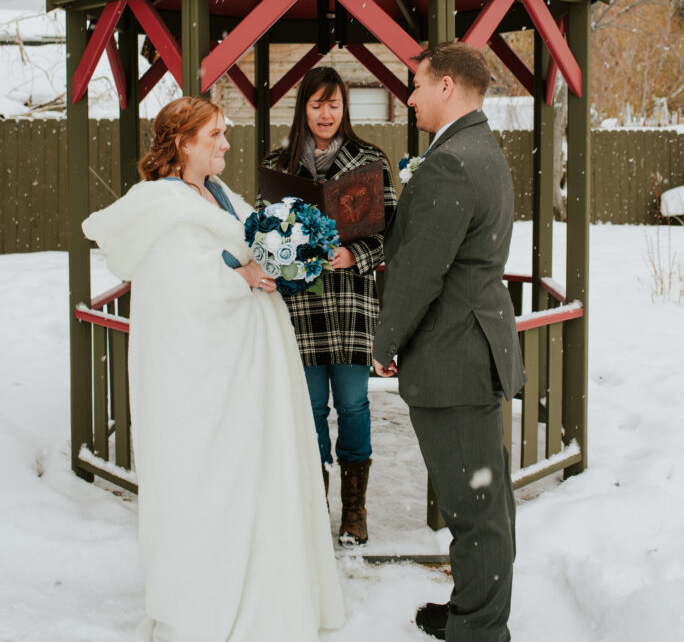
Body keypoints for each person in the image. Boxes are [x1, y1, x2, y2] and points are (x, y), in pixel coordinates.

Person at [82, 96, 344, 642]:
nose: (226, 143)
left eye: (225, 133)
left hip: (251, 367)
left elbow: (246, 244)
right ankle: (212, 602)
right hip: (206, 377)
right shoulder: (162, 205)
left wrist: (284, 257)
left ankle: (271, 594)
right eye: (215, 136)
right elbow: (182, 286)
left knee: (261, 476)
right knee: (217, 481)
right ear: (182, 144)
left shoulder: (219, 192)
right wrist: (242, 274)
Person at [373, 43, 525, 642]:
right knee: (481, 498)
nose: (409, 97)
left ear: (446, 86)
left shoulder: (452, 162)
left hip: (455, 354)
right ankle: (472, 609)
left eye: (416, 84)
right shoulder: (479, 148)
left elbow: (420, 271)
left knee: (475, 508)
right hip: (474, 344)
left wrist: (386, 341)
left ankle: (481, 631)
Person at [258, 66, 397, 546]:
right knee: (311, 407)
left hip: (353, 305)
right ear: (303, 108)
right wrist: (290, 252)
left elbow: (391, 234)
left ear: (345, 107)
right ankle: (315, 506)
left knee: (354, 405)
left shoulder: (371, 160)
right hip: (301, 309)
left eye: (334, 104)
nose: (325, 113)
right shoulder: (279, 163)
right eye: (316, 104)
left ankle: (353, 511)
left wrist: (353, 254)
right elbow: (264, 238)